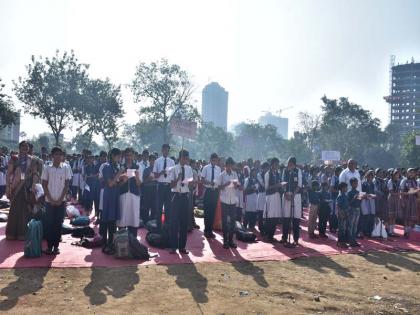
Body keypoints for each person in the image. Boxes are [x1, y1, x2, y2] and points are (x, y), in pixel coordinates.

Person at [6, 141, 40, 240]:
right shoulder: (14, 158)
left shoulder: (32, 160)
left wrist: (34, 184)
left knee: (25, 210)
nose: (25, 148)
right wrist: (8, 187)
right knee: (14, 209)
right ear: (19, 147)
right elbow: (8, 173)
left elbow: (35, 173)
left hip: (27, 187)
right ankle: (11, 233)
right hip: (16, 187)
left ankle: (23, 233)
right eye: (23, 146)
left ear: (29, 148)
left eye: (27, 146)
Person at [41, 146, 72, 255]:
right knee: (49, 224)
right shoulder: (47, 168)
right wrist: (51, 199)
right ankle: (49, 247)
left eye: (60, 154)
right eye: (56, 154)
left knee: (58, 224)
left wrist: (59, 200)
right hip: (49, 201)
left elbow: (66, 185)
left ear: (62, 156)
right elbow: (44, 185)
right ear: (52, 156)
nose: (58, 156)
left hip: (61, 201)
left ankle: (56, 247)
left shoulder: (66, 168)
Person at [168, 149, 193, 254]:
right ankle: (173, 246)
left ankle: (182, 246)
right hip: (176, 196)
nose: (185, 160)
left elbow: (191, 185)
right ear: (180, 158)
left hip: (185, 196)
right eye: (184, 158)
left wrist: (191, 183)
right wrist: (178, 178)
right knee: (174, 222)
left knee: (184, 222)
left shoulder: (189, 169)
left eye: (187, 158)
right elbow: (171, 185)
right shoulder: (173, 169)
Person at [101, 148, 125, 255]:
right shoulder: (107, 167)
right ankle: (105, 244)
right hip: (109, 196)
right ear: (113, 156)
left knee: (113, 221)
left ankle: (111, 243)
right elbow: (110, 183)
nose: (119, 158)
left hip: (115, 195)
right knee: (107, 221)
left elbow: (116, 184)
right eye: (118, 156)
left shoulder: (116, 166)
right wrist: (119, 173)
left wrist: (123, 181)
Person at [117, 148, 142, 237]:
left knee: (133, 217)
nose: (129, 157)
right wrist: (123, 179)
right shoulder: (121, 167)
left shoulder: (138, 167)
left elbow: (139, 184)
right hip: (123, 195)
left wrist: (136, 177)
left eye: (131, 155)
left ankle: (133, 242)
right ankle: (121, 241)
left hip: (134, 195)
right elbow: (117, 185)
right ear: (124, 156)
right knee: (122, 217)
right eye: (127, 155)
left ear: (134, 156)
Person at [217, 157, 239, 249]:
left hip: (233, 200)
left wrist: (236, 185)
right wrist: (225, 184)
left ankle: (231, 240)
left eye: (231, 165)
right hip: (225, 200)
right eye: (228, 165)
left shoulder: (235, 174)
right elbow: (218, 187)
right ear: (225, 166)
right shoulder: (221, 175)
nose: (230, 167)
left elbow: (237, 186)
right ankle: (225, 241)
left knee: (233, 222)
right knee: (225, 222)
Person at [281, 156, 303, 246]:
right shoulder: (285, 171)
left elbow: (299, 185)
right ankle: (285, 238)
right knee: (286, 218)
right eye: (288, 163)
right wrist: (286, 193)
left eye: (291, 164)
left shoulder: (298, 171)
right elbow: (283, 183)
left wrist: (293, 195)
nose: (289, 165)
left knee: (295, 219)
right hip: (286, 196)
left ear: (294, 164)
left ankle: (296, 239)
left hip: (296, 196)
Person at [153, 144, 175, 228]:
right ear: (162, 150)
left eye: (168, 150)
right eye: (165, 150)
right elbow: (155, 176)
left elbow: (173, 175)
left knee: (168, 206)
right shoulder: (157, 161)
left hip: (168, 186)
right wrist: (161, 173)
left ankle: (167, 225)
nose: (166, 151)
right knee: (159, 206)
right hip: (160, 185)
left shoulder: (172, 162)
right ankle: (158, 225)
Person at [200, 153, 221, 238]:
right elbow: (202, 180)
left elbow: (219, 180)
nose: (214, 162)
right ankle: (206, 230)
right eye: (213, 160)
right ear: (210, 160)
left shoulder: (218, 169)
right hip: (208, 190)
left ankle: (210, 230)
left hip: (215, 191)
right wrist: (210, 182)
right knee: (207, 211)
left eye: (216, 160)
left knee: (212, 212)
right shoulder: (205, 168)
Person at [263, 158, 282, 243]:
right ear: (272, 164)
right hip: (270, 197)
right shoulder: (268, 174)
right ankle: (267, 236)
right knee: (269, 217)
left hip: (277, 197)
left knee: (275, 217)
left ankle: (271, 236)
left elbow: (279, 184)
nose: (277, 166)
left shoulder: (278, 174)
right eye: (276, 164)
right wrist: (277, 185)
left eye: (278, 164)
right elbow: (266, 187)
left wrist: (281, 186)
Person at [400, 168, 419, 238]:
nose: (412, 174)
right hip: (406, 200)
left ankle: (410, 232)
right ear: (407, 173)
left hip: (413, 200)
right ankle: (406, 232)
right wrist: (402, 201)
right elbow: (401, 192)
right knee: (406, 217)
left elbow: (417, 191)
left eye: (413, 172)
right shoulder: (404, 181)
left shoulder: (416, 181)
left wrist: (417, 195)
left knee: (412, 217)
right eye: (410, 172)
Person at [141, 154, 158, 224]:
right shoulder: (146, 170)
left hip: (155, 189)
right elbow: (143, 181)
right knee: (146, 206)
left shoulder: (157, 170)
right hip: (147, 189)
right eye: (152, 160)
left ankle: (153, 221)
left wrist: (156, 179)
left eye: (154, 160)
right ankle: (145, 221)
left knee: (154, 206)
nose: (153, 162)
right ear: (149, 160)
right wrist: (148, 179)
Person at [360, 170, 376, 237]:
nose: (370, 178)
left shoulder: (372, 184)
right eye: (369, 176)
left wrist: (374, 195)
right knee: (365, 216)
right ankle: (364, 230)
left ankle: (370, 230)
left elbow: (374, 192)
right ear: (366, 176)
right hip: (364, 201)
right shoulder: (363, 183)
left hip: (371, 201)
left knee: (371, 216)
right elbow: (361, 193)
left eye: (371, 177)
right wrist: (366, 196)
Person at [347, 177, 362, 247]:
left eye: (356, 183)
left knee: (355, 226)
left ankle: (354, 240)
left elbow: (359, 201)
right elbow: (349, 203)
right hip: (352, 210)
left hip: (357, 209)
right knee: (351, 225)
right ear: (351, 184)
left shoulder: (358, 192)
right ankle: (350, 240)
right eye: (354, 183)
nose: (356, 184)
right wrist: (354, 198)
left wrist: (363, 197)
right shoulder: (349, 193)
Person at [386, 169, 402, 237]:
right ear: (393, 175)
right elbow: (391, 192)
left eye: (398, 174)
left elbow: (400, 189)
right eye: (396, 174)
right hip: (391, 199)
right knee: (390, 216)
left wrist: (399, 194)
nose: (397, 175)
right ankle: (389, 231)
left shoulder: (398, 181)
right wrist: (399, 193)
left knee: (394, 216)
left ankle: (392, 230)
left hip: (397, 198)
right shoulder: (390, 181)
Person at [256, 162, 269, 234]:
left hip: (267, 195)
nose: (267, 169)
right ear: (263, 168)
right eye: (266, 168)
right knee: (261, 212)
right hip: (261, 194)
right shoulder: (259, 175)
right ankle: (261, 228)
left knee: (266, 211)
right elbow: (263, 184)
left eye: (268, 168)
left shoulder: (268, 174)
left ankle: (266, 227)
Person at [336, 182, 349, 248]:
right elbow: (338, 206)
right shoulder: (340, 196)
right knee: (341, 229)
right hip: (342, 213)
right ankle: (340, 242)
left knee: (344, 228)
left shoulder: (345, 195)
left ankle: (343, 242)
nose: (347, 188)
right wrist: (341, 214)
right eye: (346, 187)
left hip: (345, 213)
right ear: (342, 188)